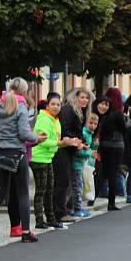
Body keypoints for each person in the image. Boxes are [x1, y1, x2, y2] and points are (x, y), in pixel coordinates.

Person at [0, 78, 47, 242]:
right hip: (18, 153)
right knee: (23, 193)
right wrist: (36, 138)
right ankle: (25, 232)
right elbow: (24, 134)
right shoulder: (21, 107)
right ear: (23, 92)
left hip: (1, 153)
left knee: (0, 194)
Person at [30, 92, 70, 230]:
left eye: (58, 104)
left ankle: (51, 218)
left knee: (50, 189)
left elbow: (56, 138)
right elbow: (43, 141)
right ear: (47, 105)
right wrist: (61, 144)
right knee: (41, 191)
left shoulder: (55, 120)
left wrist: (66, 141)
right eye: (53, 104)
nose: (55, 107)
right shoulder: (44, 119)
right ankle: (39, 221)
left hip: (48, 158)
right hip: (38, 158)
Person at [55, 87, 91, 223]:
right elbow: (65, 130)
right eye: (82, 97)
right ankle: (59, 212)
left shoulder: (79, 111)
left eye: (86, 98)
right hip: (62, 148)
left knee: (67, 181)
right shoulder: (69, 110)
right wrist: (76, 141)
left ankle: (64, 209)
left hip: (70, 148)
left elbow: (76, 131)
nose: (84, 100)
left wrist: (81, 142)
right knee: (63, 182)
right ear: (75, 98)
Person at [99, 88, 128, 211]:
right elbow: (124, 128)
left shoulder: (104, 113)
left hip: (104, 144)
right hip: (116, 145)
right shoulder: (118, 113)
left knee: (103, 172)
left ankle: (92, 198)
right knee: (113, 174)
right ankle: (111, 202)